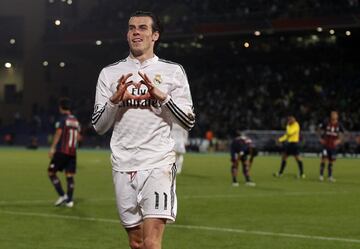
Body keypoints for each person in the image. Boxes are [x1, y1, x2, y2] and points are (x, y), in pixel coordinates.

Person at [91, 11, 195, 249]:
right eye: (131, 28)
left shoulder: (173, 71)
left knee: (151, 243)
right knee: (136, 242)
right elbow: (98, 125)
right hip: (123, 163)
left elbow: (188, 121)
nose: (135, 32)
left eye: (142, 28)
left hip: (158, 162)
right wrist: (114, 100)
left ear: (155, 35)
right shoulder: (109, 74)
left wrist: (163, 97)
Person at [47, 97, 80, 208]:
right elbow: (79, 137)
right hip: (72, 152)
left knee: (51, 172)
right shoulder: (75, 120)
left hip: (62, 151)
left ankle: (62, 195)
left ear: (61, 107)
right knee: (69, 175)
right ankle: (70, 200)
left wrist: (52, 148)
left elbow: (58, 133)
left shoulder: (63, 120)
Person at [318, 111, 344, 182]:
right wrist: (320, 138)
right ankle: (321, 175)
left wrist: (339, 140)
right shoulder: (326, 123)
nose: (334, 116)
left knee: (331, 161)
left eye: (335, 115)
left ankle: (330, 176)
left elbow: (343, 133)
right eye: (333, 115)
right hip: (325, 145)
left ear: (337, 116)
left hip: (333, 147)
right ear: (331, 116)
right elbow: (318, 129)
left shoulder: (339, 125)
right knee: (323, 159)